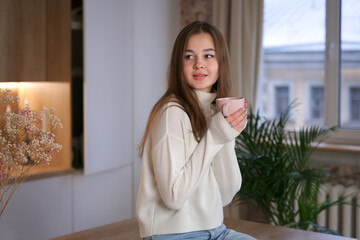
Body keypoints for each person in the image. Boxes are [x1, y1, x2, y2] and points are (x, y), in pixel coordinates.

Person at [136, 21, 255, 240]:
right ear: (178, 64)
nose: (199, 64)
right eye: (189, 56)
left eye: (208, 56)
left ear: (221, 62)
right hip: (173, 234)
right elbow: (174, 197)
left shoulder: (213, 111)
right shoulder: (171, 112)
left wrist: (226, 136)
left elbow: (226, 193)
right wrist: (216, 136)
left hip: (216, 230)